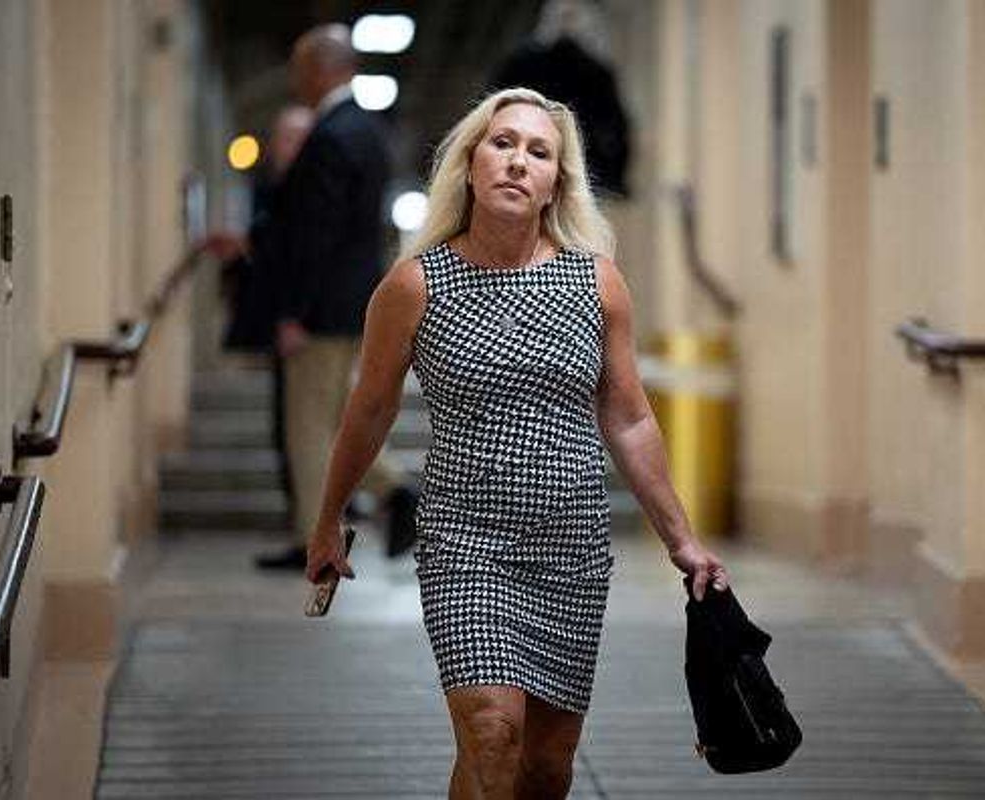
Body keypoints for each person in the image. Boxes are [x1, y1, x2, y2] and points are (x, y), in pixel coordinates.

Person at [304, 87, 729, 799]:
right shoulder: (415, 285)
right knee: (492, 733)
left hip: (571, 547)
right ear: (470, 163)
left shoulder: (596, 283)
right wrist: (327, 520)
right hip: (466, 543)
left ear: (554, 185)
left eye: (539, 153)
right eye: (502, 144)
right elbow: (369, 409)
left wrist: (680, 539)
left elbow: (629, 418)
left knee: (544, 765)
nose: (517, 162)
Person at [256, 24, 418, 571]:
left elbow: (315, 234)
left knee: (309, 427)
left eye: (300, 67)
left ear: (321, 68)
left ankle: (316, 539)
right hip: (353, 301)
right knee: (334, 418)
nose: (295, 78)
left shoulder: (329, 134)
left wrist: (294, 311)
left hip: (319, 311)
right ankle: (390, 492)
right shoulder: (369, 131)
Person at [212, 105, 314, 537]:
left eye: (293, 138)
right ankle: (303, 521)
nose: (282, 147)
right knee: (288, 427)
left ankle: (385, 493)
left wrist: (297, 316)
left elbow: (310, 255)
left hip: (309, 325)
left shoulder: (312, 188)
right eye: (281, 138)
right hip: (282, 321)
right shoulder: (276, 188)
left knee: (312, 429)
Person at [491, 0, 631, 197]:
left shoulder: (595, 72)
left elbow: (615, 128)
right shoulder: (524, 64)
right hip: (549, 159)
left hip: (572, 164)